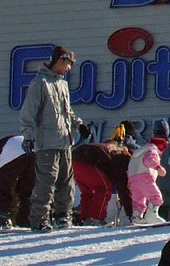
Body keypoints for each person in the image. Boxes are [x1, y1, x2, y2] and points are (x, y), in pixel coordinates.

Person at [18, 45, 90, 232]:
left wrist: (78, 124)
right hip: (46, 141)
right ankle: (40, 219)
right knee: (46, 181)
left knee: (66, 181)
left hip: (65, 140)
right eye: (69, 63)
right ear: (60, 60)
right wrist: (29, 136)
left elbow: (67, 112)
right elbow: (29, 112)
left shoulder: (62, 84)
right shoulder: (40, 83)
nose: (70, 68)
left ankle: (63, 215)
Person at [71, 133, 131, 225]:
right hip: (89, 160)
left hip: (74, 159)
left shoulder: (108, 147)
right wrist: (130, 213)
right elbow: (122, 187)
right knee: (104, 189)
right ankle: (97, 219)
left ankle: (84, 218)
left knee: (87, 192)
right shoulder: (123, 158)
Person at [128, 129, 169, 224]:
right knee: (156, 196)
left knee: (138, 199)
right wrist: (158, 168)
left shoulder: (139, 151)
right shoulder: (152, 150)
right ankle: (152, 215)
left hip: (133, 179)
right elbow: (149, 160)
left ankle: (137, 217)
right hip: (145, 177)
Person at [0, 135, 35, 229]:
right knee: (28, 189)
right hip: (33, 149)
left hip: (12, 151)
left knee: (3, 186)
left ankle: (3, 217)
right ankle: (26, 221)